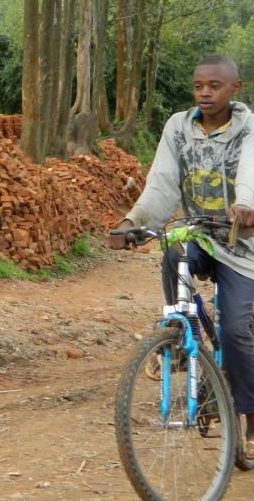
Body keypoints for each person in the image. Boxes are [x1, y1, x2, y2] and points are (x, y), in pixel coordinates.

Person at [108, 54, 254, 459]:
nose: (205, 93)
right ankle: (178, 331)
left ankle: (250, 417)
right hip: (201, 235)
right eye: (199, 86)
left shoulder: (249, 128)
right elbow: (161, 184)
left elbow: (251, 175)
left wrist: (245, 206)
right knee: (174, 248)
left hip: (244, 244)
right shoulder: (178, 126)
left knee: (236, 330)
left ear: (234, 89)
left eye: (215, 86)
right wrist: (131, 221)